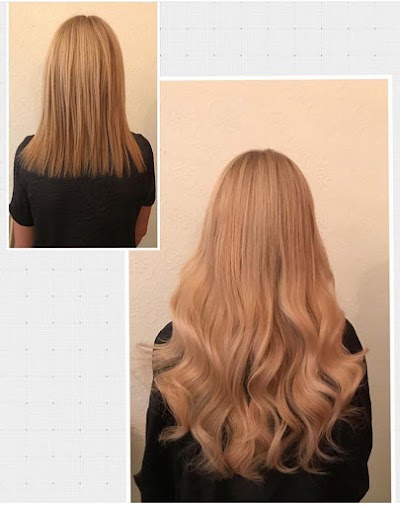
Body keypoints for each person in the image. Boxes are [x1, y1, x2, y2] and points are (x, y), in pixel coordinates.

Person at [135, 149, 372, 502]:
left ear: (218, 232)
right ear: (302, 235)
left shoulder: (179, 346)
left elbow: (158, 486)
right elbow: (352, 483)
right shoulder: (336, 342)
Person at [9, 15, 155, 248]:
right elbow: (138, 233)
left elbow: (22, 249)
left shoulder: (28, 158)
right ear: (113, 78)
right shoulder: (140, 154)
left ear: (55, 79)